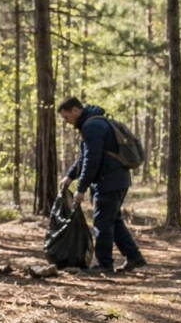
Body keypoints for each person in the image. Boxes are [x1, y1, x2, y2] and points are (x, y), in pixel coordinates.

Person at [57, 97, 147, 275]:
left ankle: (104, 264)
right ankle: (133, 257)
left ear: (75, 110)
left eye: (66, 117)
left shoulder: (93, 127)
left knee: (102, 223)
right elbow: (84, 157)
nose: (67, 122)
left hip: (109, 182)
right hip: (115, 180)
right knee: (113, 220)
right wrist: (70, 176)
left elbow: (92, 160)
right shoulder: (92, 124)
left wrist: (81, 188)